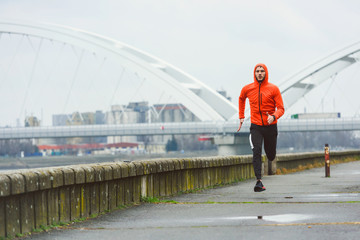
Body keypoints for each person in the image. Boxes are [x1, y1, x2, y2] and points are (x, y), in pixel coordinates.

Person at [237, 63, 284, 192]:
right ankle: (259, 181)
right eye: (257, 71)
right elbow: (241, 98)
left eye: (262, 71)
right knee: (256, 151)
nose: (259, 73)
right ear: (254, 73)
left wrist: (274, 116)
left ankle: (271, 154)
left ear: (266, 73)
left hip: (270, 126)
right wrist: (241, 116)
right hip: (256, 126)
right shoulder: (248, 88)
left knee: (270, 155)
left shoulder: (273, 89)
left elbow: (281, 108)